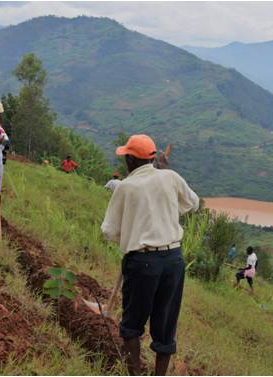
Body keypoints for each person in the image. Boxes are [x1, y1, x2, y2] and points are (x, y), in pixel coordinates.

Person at [101, 133, 199, 376]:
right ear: (154, 159)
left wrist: (131, 236)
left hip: (142, 262)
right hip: (174, 260)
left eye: (126, 157)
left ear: (132, 161)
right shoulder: (171, 177)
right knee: (165, 326)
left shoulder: (125, 187)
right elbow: (192, 203)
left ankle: (135, 373)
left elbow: (109, 231)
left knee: (132, 324)